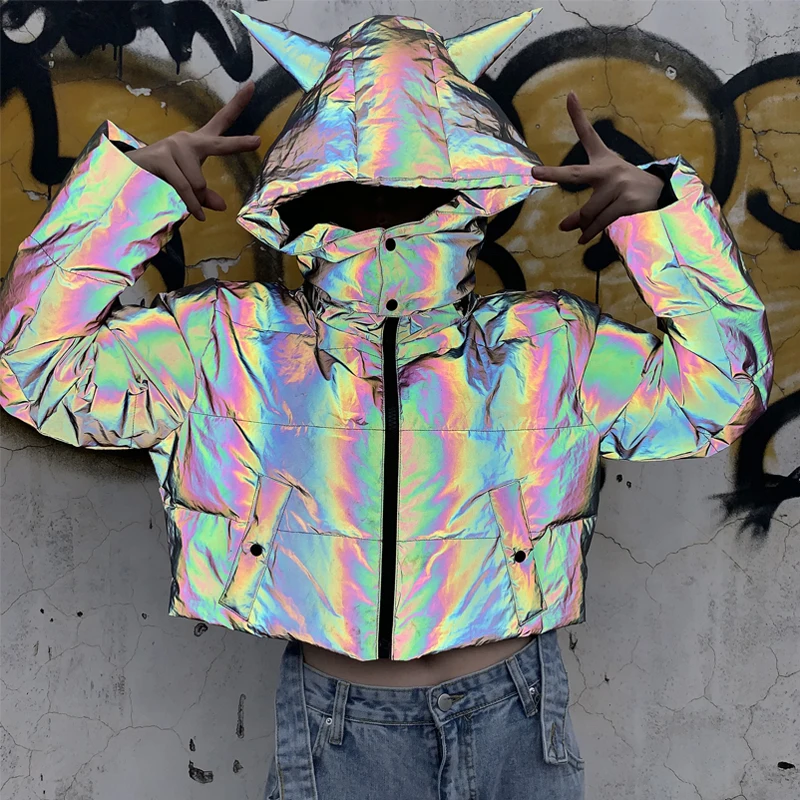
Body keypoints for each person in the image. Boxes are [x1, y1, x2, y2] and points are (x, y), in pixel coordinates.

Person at [0, 9, 773, 800]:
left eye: (414, 189)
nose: (383, 209)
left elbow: (720, 393)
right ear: (305, 189)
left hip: (513, 709)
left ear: (466, 187)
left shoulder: (546, 348)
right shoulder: (229, 344)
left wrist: (665, 222)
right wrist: (123, 199)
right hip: (341, 726)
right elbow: (35, 369)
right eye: (353, 188)